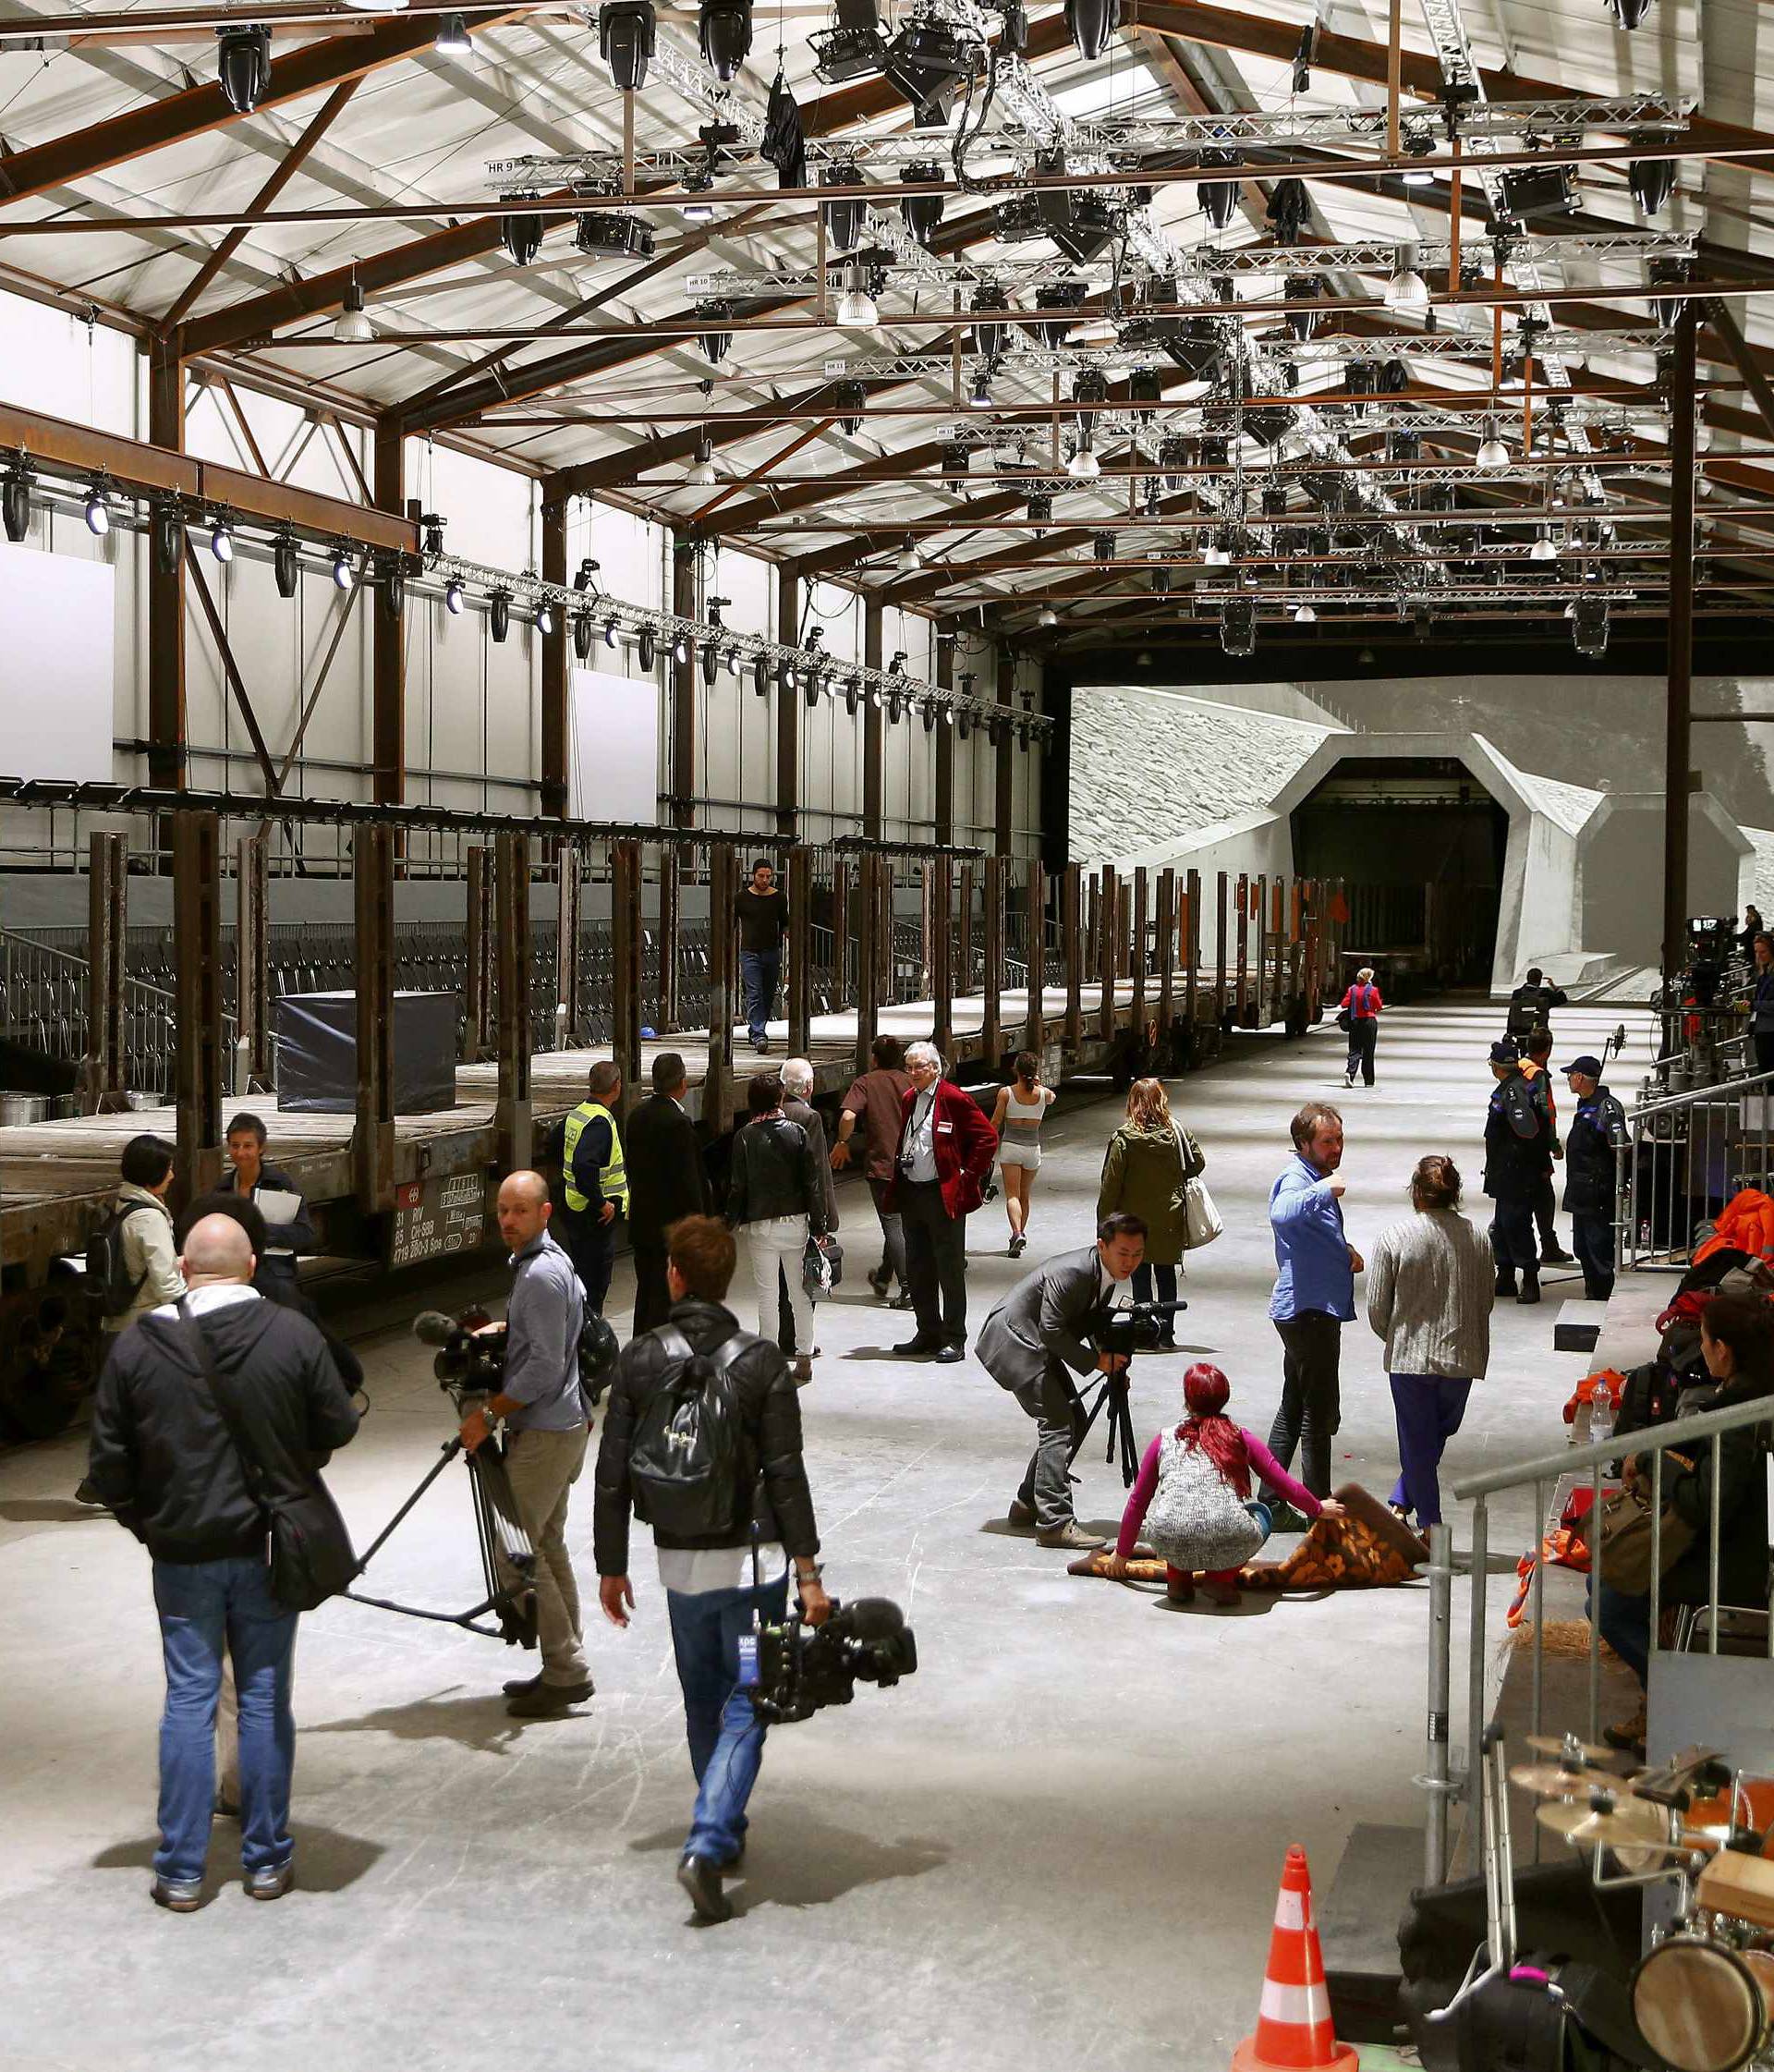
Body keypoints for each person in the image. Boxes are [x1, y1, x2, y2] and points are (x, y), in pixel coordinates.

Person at [84, 1214, 360, 1911]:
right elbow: (338, 1423)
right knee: (264, 1700)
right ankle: (266, 1863)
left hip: (183, 1556)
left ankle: (180, 1870)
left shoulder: (140, 1347)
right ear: (249, 1266)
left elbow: (108, 1467)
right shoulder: (292, 1332)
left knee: (189, 1701)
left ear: (184, 1262)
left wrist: (151, 1527)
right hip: (267, 1552)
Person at [593, 1213, 828, 1924]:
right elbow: (785, 1473)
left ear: (673, 1275)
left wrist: (611, 1564)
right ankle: (709, 1836)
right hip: (754, 1573)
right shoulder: (760, 1363)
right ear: (725, 1281)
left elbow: (611, 1474)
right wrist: (808, 1570)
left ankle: (720, 1829)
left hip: (679, 1565)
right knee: (750, 1696)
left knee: (703, 1697)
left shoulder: (639, 1358)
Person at [1589, 1290, 1774, 1752]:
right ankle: (1663, 1700)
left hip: (1725, 1562)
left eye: (1706, 1340)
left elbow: (1705, 1502)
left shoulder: (1738, 1416)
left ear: (1723, 1351)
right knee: (1604, 1585)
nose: (1702, 1348)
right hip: (1719, 1545)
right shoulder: (1742, 1397)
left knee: (1609, 1604)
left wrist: (1659, 1464)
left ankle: (1672, 1701)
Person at [457, 1170, 592, 1718]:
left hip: (544, 1432)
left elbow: (541, 1368)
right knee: (548, 1542)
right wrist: (506, 1334)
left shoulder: (539, 1276)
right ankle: (565, 1658)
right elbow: (548, 1345)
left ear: (544, 1212)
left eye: (519, 1211)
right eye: (502, 1211)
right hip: (568, 1425)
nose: (508, 1222)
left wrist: (488, 1414)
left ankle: (566, 1670)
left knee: (518, 1553)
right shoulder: (553, 1264)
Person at [1105, 1363, 1345, 1606]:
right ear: (1224, 1398)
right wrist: (1317, 1508)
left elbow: (1138, 1501)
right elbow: (1282, 1483)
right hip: (1230, 1536)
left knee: (1177, 1518)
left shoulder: (1165, 1438)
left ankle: (1178, 1579)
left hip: (1168, 1538)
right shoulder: (1240, 1437)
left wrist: (1121, 1554)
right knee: (1262, 1512)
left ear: (1187, 1401)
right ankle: (1220, 1578)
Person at [977, 1212, 1147, 1551]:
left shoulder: (1103, 1272)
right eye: (1123, 1253)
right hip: (1016, 1342)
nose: (1130, 1262)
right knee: (1057, 1422)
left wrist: (1110, 1365)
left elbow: (1090, 1322)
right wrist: (1096, 1361)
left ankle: (1028, 1503)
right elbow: (1051, 1330)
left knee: (1073, 1419)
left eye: (1138, 1254)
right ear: (1103, 1246)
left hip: (1035, 1343)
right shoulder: (1074, 1272)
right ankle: (1054, 1522)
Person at [1365, 1154, 1496, 1530]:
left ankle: (1432, 1527)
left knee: (1418, 1441)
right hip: (1462, 1358)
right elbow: (1485, 1300)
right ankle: (1405, 1503)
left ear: (1417, 1192)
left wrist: (1399, 1335)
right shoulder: (1478, 1237)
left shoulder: (1395, 1237)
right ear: (1454, 1193)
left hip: (1410, 1360)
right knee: (1434, 1435)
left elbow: (1377, 1307)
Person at [75, 1133, 188, 1507]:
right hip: (146, 1330)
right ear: (155, 1175)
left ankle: (105, 1478)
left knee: (122, 1411)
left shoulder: (122, 1205)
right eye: (169, 1169)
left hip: (116, 1328)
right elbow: (166, 1282)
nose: (172, 1175)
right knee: (154, 1412)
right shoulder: (149, 1218)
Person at [1268, 1102, 1362, 1514]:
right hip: (1308, 1311)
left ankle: (1271, 1499)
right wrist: (1325, 1189)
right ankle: (1317, 1507)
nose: (1336, 1147)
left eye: (1339, 1139)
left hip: (1314, 1307)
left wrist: (1344, 1251)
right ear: (1303, 1143)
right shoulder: (1297, 1178)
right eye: (1328, 1141)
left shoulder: (1313, 1175)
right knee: (1316, 1414)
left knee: (1294, 1405)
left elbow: (1309, 1235)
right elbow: (1283, 1215)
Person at [883, 1042, 999, 1363]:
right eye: (908, 1067)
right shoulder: (909, 1099)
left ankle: (954, 1338)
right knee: (918, 1266)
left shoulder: (953, 1098)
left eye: (918, 1067)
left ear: (935, 1068)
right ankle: (927, 1331)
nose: (912, 1073)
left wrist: (968, 1175)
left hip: (943, 1195)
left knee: (949, 1268)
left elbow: (988, 1138)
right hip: (913, 1192)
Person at [724, 1073, 830, 1385]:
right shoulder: (797, 1133)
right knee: (799, 1294)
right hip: (795, 1224)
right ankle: (805, 1358)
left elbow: (737, 1187)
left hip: (759, 1227)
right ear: (779, 1099)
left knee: (767, 1296)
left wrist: (728, 1223)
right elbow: (811, 1183)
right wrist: (820, 1223)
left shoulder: (744, 1137)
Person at [1096, 1077, 1200, 1346]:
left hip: (1133, 1221)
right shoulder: (1177, 1132)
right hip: (1169, 1215)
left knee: (1140, 1274)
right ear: (1161, 1100)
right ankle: (1167, 1333)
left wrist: (1104, 1223)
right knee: (1165, 1274)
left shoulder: (1123, 1138)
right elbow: (1197, 1162)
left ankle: (1144, 1332)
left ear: (1132, 1103)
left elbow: (1111, 1185)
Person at [626, 1053, 713, 1335]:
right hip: (672, 1230)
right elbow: (689, 1182)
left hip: (643, 1225)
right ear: (682, 1083)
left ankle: (640, 1349)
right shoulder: (678, 1124)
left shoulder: (636, 1116)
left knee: (646, 1292)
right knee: (667, 1299)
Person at [832, 1034, 913, 1308]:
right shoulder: (909, 1081)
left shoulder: (866, 1082)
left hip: (882, 1165)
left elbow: (848, 1116)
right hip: (912, 1164)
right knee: (900, 1223)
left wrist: (842, 1142)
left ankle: (907, 1287)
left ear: (874, 1058)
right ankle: (882, 1277)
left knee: (892, 1224)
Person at [1484, 1038, 1553, 1304]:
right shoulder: (1515, 1087)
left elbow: (1528, 1130)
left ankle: (1530, 1278)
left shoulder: (1513, 1092)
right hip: (1506, 1172)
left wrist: (1519, 1159)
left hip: (1516, 1173)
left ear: (1496, 1066)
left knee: (1516, 1224)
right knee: (1502, 1225)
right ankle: (1505, 1275)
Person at [222, 1114, 316, 1307]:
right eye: (235, 1145)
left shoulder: (280, 1184)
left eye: (248, 1146)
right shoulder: (222, 1189)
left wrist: (263, 1231)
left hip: (274, 1273)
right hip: (234, 1273)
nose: (240, 1153)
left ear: (262, 1148)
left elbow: (304, 1233)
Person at [558, 1059, 627, 1316]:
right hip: (593, 1215)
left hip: (575, 1206)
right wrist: (601, 1202)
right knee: (594, 1284)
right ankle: (589, 1336)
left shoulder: (578, 1113)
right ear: (617, 1086)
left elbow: (559, 1147)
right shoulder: (600, 1122)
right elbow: (583, 1165)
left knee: (583, 1277)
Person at [1562, 1054, 1629, 1302]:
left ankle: (1602, 1299)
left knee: (1598, 1249)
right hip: (1581, 1193)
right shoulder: (1587, 1106)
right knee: (1582, 1248)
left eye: (1571, 1075)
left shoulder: (1606, 1107)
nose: (1569, 1079)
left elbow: (1621, 1145)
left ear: (1580, 1078)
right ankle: (1593, 1294)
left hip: (1597, 1194)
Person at [990, 1052, 1056, 1258]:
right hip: (1032, 1149)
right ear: (1034, 1072)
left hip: (1011, 1147)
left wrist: (987, 1147)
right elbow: (1053, 1096)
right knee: (1025, 1195)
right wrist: (1040, 1083)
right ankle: (1019, 1234)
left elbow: (996, 1122)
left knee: (1012, 1195)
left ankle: (1017, 1232)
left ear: (1015, 1070)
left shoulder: (1006, 1093)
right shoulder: (1044, 1095)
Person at [1519, 1028, 1574, 1266]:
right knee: (1544, 1196)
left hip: (1517, 1142)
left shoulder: (1519, 1066)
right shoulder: (1539, 1075)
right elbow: (1546, 1112)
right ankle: (1548, 1245)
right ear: (1548, 1050)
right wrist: (1554, 1145)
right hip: (1536, 1145)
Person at [736, 858, 789, 1054]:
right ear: (753, 876)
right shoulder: (741, 898)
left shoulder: (778, 898)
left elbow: (785, 921)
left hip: (771, 952)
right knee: (754, 993)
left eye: (768, 876)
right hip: (750, 952)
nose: (765, 880)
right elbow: (731, 921)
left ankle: (756, 1029)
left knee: (767, 995)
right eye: (761, 876)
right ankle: (759, 1034)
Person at [1339, 966, 1383, 1090]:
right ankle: (1368, 1081)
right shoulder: (1373, 990)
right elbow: (1379, 1006)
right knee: (1368, 1052)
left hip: (1355, 1022)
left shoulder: (1352, 990)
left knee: (1354, 1049)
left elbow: (1343, 1004)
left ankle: (1350, 1073)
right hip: (1369, 1022)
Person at [1505, 966, 1569, 1043]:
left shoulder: (1517, 993)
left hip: (1520, 1033)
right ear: (1539, 980)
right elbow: (1563, 999)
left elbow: (1512, 1013)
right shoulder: (1545, 993)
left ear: (1527, 978)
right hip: (1540, 1034)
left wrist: (1509, 1032)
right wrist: (1553, 986)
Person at [1748, 932, 1774, 1076]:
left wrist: (1755, 1005)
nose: (1759, 956)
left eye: (1763, 952)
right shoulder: (1763, 974)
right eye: (1757, 952)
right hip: (1762, 1029)